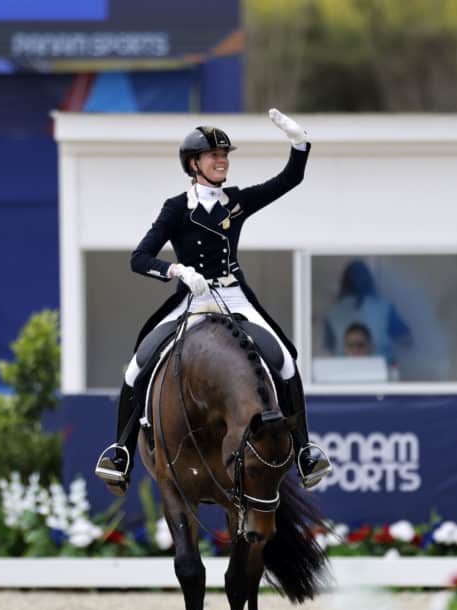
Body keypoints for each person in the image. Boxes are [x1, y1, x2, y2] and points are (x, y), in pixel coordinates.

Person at [94, 109, 332, 492]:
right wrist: (178, 271)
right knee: (137, 366)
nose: (222, 161)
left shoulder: (235, 202)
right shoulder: (176, 208)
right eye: (213, 156)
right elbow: (139, 257)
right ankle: (119, 452)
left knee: (285, 361)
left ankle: (305, 450)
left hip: (233, 295)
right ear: (194, 164)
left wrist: (299, 143)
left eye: (225, 155)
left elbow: (290, 178)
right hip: (190, 297)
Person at [323, 260, 411, 363]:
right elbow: (406, 340)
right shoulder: (384, 307)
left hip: (344, 371)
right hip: (381, 369)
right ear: (369, 280)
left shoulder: (333, 312)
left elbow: (328, 348)